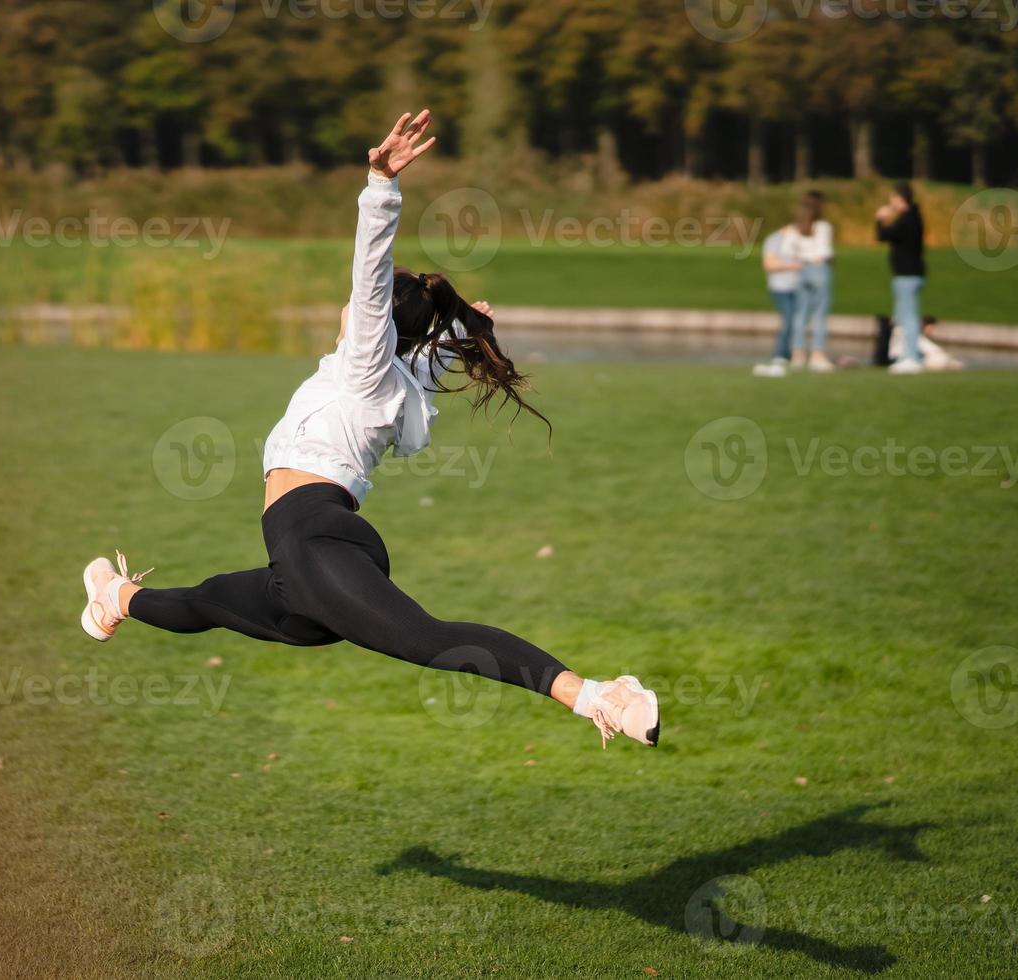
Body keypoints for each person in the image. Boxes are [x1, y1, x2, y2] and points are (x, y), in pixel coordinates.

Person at [77, 110, 659, 749]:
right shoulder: (384, 380)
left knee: (427, 640)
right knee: (208, 603)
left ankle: (602, 695)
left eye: (363, 314)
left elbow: (371, 274)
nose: (351, 311)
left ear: (377, 327)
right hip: (310, 552)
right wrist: (462, 331)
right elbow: (418, 361)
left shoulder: (366, 366)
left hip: (313, 539)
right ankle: (116, 595)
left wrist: (380, 186)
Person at [875, 183, 927, 375]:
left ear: (899, 198)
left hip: (907, 274)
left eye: (892, 199)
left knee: (908, 317)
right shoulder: (913, 217)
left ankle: (911, 357)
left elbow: (883, 236)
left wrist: (880, 220)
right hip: (910, 274)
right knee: (904, 316)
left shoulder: (907, 219)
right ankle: (907, 356)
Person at [751, 218, 803, 378]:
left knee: (796, 320)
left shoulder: (800, 239)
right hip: (780, 287)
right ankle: (780, 354)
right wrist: (790, 266)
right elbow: (768, 264)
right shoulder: (775, 239)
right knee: (789, 319)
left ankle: (791, 354)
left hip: (798, 287)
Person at [790, 191, 836, 373]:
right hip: (819, 268)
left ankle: (797, 354)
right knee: (819, 314)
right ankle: (817, 355)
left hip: (802, 269)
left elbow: (792, 250)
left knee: (800, 314)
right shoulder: (823, 227)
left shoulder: (797, 227)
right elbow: (825, 252)